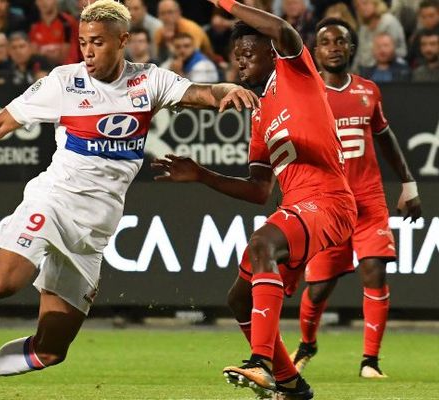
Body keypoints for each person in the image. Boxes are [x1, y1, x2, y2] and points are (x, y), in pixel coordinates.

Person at [0, 1, 258, 392]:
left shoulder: (149, 81)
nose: (88, 52)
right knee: (3, 283)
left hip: (92, 232)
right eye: (83, 42)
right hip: (53, 202)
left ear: (123, 40)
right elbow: (0, 124)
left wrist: (231, 89)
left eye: (98, 43)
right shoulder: (64, 82)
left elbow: (205, 93)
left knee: (50, 351)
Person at [152, 0, 360, 398]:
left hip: (330, 200)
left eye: (249, 52)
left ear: (270, 53)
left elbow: (284, 30)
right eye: (237, 55)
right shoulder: (260, 114)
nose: (241, 61)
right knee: (237, 299)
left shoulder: (296, 71)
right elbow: (258, 190)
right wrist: (201, 175)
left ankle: (261, 363)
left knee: (262, 242)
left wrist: (230, 5)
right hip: (296, 207)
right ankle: (291, 383)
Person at [287, 17, 422, 380]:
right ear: (314, 52)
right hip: (327, 204)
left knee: (375, 269)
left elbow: (385, 136)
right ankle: (307, 343)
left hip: (368, 199)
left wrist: (408, 184)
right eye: (326, 41)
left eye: (340, 41)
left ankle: (370, 362)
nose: (333, 46)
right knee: (317, 290)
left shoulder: (368, 91)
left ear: (351, 48)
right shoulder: (305, 94)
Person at [352, 0, 407, 70]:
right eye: (357, 6)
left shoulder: (389, 21)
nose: (361, 8)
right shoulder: (363, 28)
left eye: (365, 3)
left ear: (376, 3)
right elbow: (359, 54)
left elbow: (393, 51)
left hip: (390, 69)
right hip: (365, 70)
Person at [29, 0, 80, 65]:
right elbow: (34, 53)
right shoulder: (34, 26)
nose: (43, 2)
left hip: (66, 69)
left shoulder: (68, 23)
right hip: (43, 71)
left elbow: (67, 55)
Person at [408, 0, 439, 67]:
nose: (427, 20)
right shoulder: (418, 35)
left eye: (431, 16)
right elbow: (411, 57)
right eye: (423, 17)